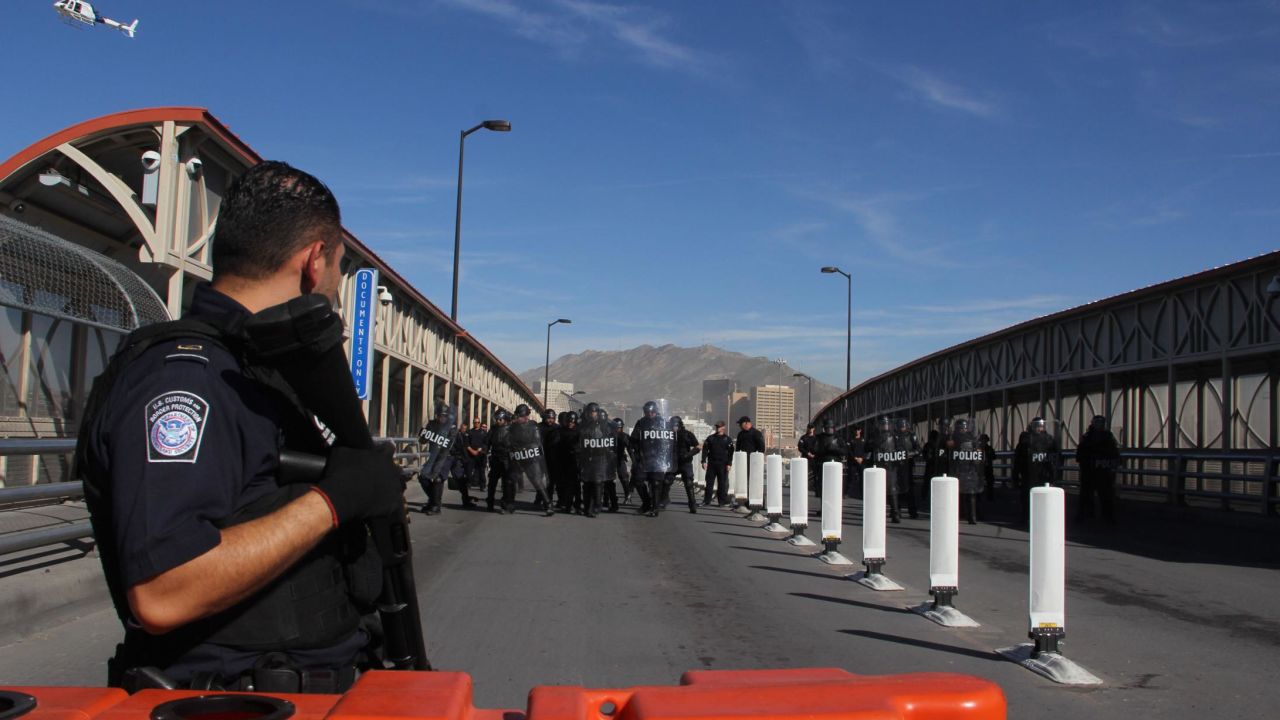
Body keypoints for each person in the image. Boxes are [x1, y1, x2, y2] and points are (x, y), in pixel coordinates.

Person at [76, 161, 404, 690]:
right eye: (340, 268)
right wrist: (332, 503)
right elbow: (164, 590)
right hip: (227, 696)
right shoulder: (188, 379)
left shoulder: (254, 372)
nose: (338, 288)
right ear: (314, 260)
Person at [418, 404, 467, 514]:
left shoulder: (452, 428)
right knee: (423, 477)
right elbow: (422, 441)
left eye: (444, 415)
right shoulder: (432, 425)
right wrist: (424, 432)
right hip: (434, 455)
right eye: (440, 415)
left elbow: (453, 443)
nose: (442, 418)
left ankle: (436, 506)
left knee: (438, 478)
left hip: (447, 456)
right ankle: (432, 500)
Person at [507, 404, 554, 515]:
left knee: (537, 481)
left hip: (531, 457)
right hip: (519, 457)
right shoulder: (513, 427)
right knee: (511, 480)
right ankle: (510, 504)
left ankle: (548, 504)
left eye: (521, 416)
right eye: (519, 415)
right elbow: (509, 441)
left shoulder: (533, 426)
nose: (519, 418)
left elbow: (537, 442)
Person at [631, 400, 675, 517]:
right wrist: (637, 453)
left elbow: (670, 441)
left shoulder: (664, 423)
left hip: (658, 459)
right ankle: (646, 503)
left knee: (656, 483)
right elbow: (634, 439)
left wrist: (666, 456)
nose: (649, 414)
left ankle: (655, 508)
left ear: (656, 411)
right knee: (638, 480)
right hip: (644, 458)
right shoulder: (641, 423)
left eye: (651, 412)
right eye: (647, 412)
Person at [1076, 415, 1120, 524]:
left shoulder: (1108, 437)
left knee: (1106, 495)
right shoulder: (1088, 437)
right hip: (1091, 470)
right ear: (1093, 423)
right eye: (1097, 422)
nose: (1099, 425)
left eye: (1101, 422)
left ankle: (1106, 517)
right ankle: (1087, 516)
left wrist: (1113, 462)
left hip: (1102, 470)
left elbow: (1114, 453)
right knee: (1087, 495)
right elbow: (1080, 454)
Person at [948, 419, 984, 524]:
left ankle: (971, 517)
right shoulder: (953, 439)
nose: (963, 429)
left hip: (967, 470)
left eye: (964, 427)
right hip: (960, 470)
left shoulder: (972, 440)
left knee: (970, 494)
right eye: (962, 428)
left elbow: (978, 456)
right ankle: (966, 516)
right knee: (962, 495)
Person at [669, 416, 701, 513]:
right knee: (666, 481)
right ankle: (662, 500)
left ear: (680, 425)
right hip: (672, 462)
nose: (674, 427)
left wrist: (688, 454)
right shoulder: (668, 434)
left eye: (676, 425)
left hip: (685, 462)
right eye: (673, 425)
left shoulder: (687, 434)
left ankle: (692, 504)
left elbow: (698, 446)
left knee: (689, 483)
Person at [485, 410, 515, 514]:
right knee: (492, 482)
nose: (498, 421)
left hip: (508, 459)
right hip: (495, 458)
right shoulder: (493, 429)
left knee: (508, 483)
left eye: (500, 419)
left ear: (505, 419)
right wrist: (484, 452)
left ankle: (507, 505)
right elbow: (487, 442)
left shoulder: (512, 430)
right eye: (496, 419)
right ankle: (490, 502)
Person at [700, 421, 734, 506]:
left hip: (723, 464)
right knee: (709, 483)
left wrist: (729, 464)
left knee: (722, 484)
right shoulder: (710, 438)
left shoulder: (728, 439)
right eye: (717, 427)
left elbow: (731, 453)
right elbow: (705, 450)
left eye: (719, 426)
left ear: (723, 427)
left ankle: (721, 502)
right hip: (712, 463)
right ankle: (706, 501)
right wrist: (703, 461)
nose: (718, 428)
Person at [735, 416, 766, 506]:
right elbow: (738, 448)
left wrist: (756, 459)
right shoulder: (740, 434)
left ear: (746, 423)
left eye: (741, 424)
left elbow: (761, 448)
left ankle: (759, 502)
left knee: (755, 482)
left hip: (754, 462)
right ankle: (745, 501)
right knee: (744, 481)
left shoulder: (756, 433)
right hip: (742, 462)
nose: (740, 426)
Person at [894, 417, 921, 515]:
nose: (902, 428)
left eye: (903, 426)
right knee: (897, 487)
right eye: (900, 426)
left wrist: (909, 454)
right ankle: (897, 509)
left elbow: (918, 449)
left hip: (908, 464)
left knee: (910, 488)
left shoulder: (911, 436)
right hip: (897, 465)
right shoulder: (894, 436)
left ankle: (912, 510)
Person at [465, 421, 489, 492]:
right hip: (471, 454)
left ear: (480, 423)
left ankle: (482, 486)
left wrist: (479, 449)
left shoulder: (484, 433)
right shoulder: (469, 432)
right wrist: (472, 451)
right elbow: (466, 443)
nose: (477, 423)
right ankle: (468, 484)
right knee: (469, 470)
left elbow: (486, 443)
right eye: (475, 422)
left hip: (481, 455)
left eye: (478, 422)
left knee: (481, 471)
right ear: (473, 423)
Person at [797, 424, 818, 494]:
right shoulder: (803, 438)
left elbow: (819, 447)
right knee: (804, 473)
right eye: (809, 428)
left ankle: (815, 488)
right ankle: (803, 488)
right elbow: (800, 447)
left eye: (811, 428)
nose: (810, 429)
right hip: (805, 458)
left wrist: (815, 454)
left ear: (813, 429)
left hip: (814, 459)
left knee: (816, 474)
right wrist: (807, 453)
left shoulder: (816, 438)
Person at [846, 426, 867, 497]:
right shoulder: (850, 440)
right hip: (852, 462)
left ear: (860, 430)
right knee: (850, 477)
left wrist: (862, 458)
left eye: (858, 430)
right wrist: (855, 458)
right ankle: (847, 493)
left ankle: (863, 493)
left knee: (862, 478)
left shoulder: (863, 439)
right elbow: (849, 451)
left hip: (861, 461)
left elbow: (866, 450)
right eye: (855, 430)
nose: (856, 431)